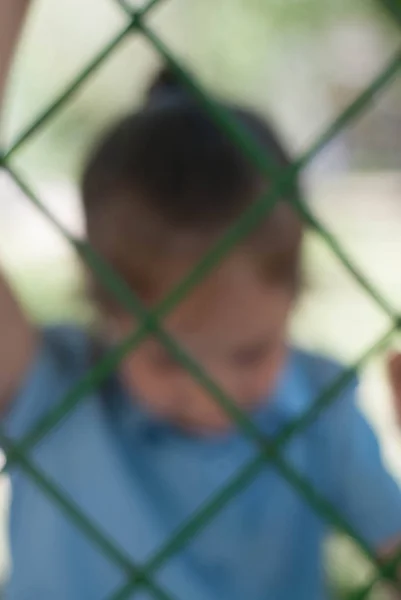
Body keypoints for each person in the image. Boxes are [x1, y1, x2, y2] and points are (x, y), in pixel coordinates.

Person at [1, 3, 401, 599]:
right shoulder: (53, 391)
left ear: (294, 298)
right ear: (102, 311)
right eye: (164, 359)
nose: (207, 397)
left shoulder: (323, 413)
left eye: (247, 354)